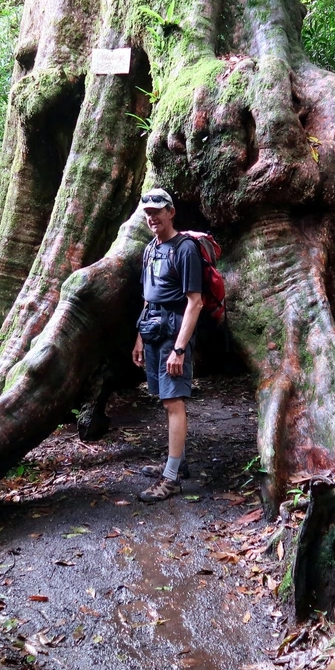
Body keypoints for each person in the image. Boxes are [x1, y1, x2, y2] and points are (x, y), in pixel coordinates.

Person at [132, 188, 203, 503]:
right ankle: (179, 463)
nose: (152, 217)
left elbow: (195, 302)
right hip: (153, 331)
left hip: (174, 332)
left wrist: (180, 348)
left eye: (157, 211)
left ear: (171, 212)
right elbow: (149, 299)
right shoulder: (150, 249)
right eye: (147, 213)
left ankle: (171, 479)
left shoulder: (185, 249)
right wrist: (139, 337)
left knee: (174, 402)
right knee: (164, 399)